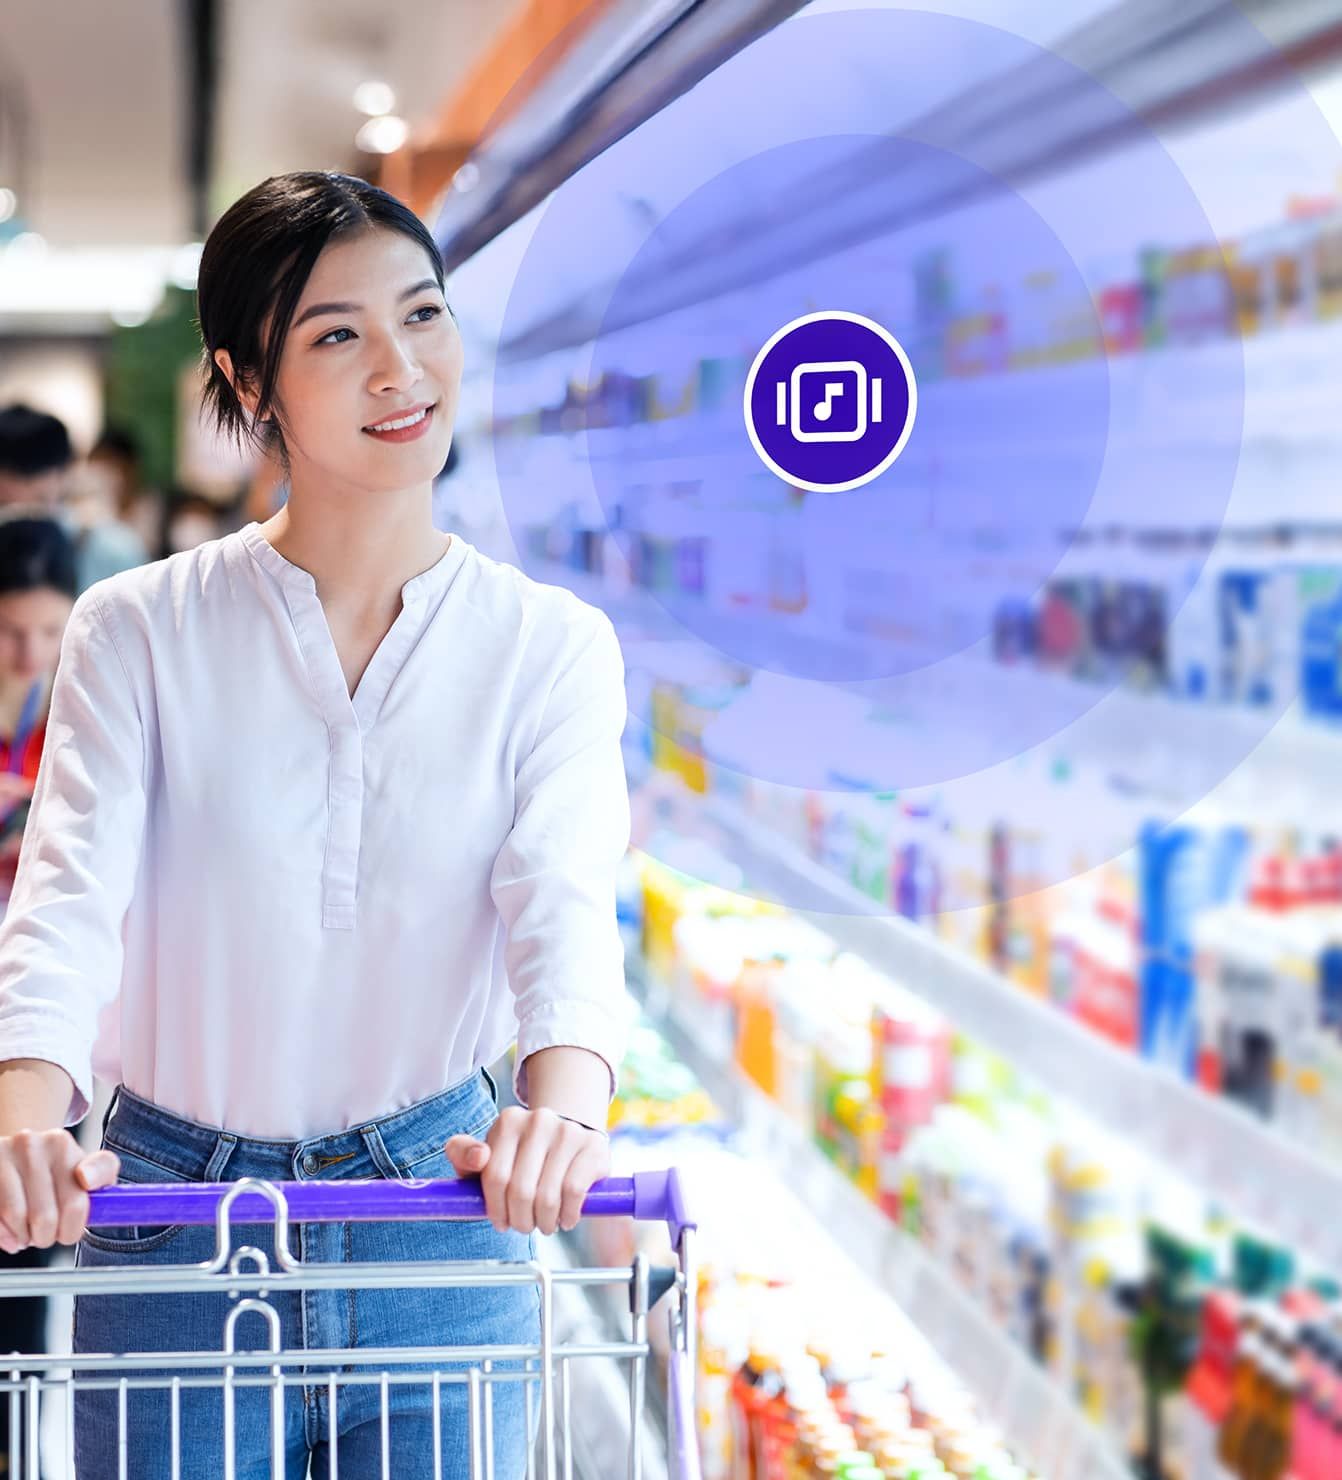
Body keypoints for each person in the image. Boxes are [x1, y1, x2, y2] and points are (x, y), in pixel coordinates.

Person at [0, 172, 631, 1479]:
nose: (401, 367)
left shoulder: (549, 647)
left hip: (439, 1219)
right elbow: (66, 902)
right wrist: (22, 1112)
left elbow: (565, 916)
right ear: (250, 381)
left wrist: (562, 1114)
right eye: (338, 334)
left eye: (423, 314)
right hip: (175, 1232)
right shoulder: (139, 630)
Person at [0, 516, 79, 1480]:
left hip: (32, 1022)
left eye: (48, 634)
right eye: (12, 633)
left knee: (24, 1244)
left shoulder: (79, 715)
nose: (30, 655)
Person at [0, 406, 149, 593]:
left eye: (38, 501)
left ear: (64, 475)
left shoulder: (112, 550)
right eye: (5, 505)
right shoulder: (114, 546)